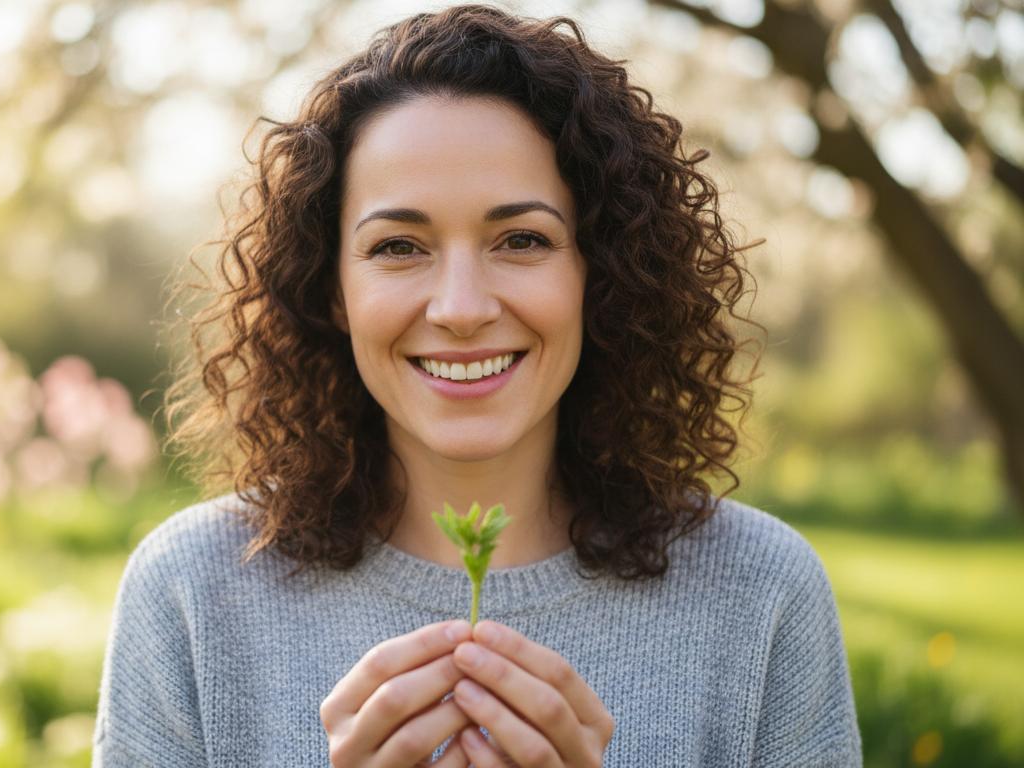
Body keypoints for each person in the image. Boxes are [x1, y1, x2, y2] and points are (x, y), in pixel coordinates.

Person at [92, 4, 861, 766]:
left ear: (604, 273)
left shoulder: (761, 595)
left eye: (521, 240)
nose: (460, 309)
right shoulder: (192, 595)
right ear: (332, 288)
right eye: (398, 246)